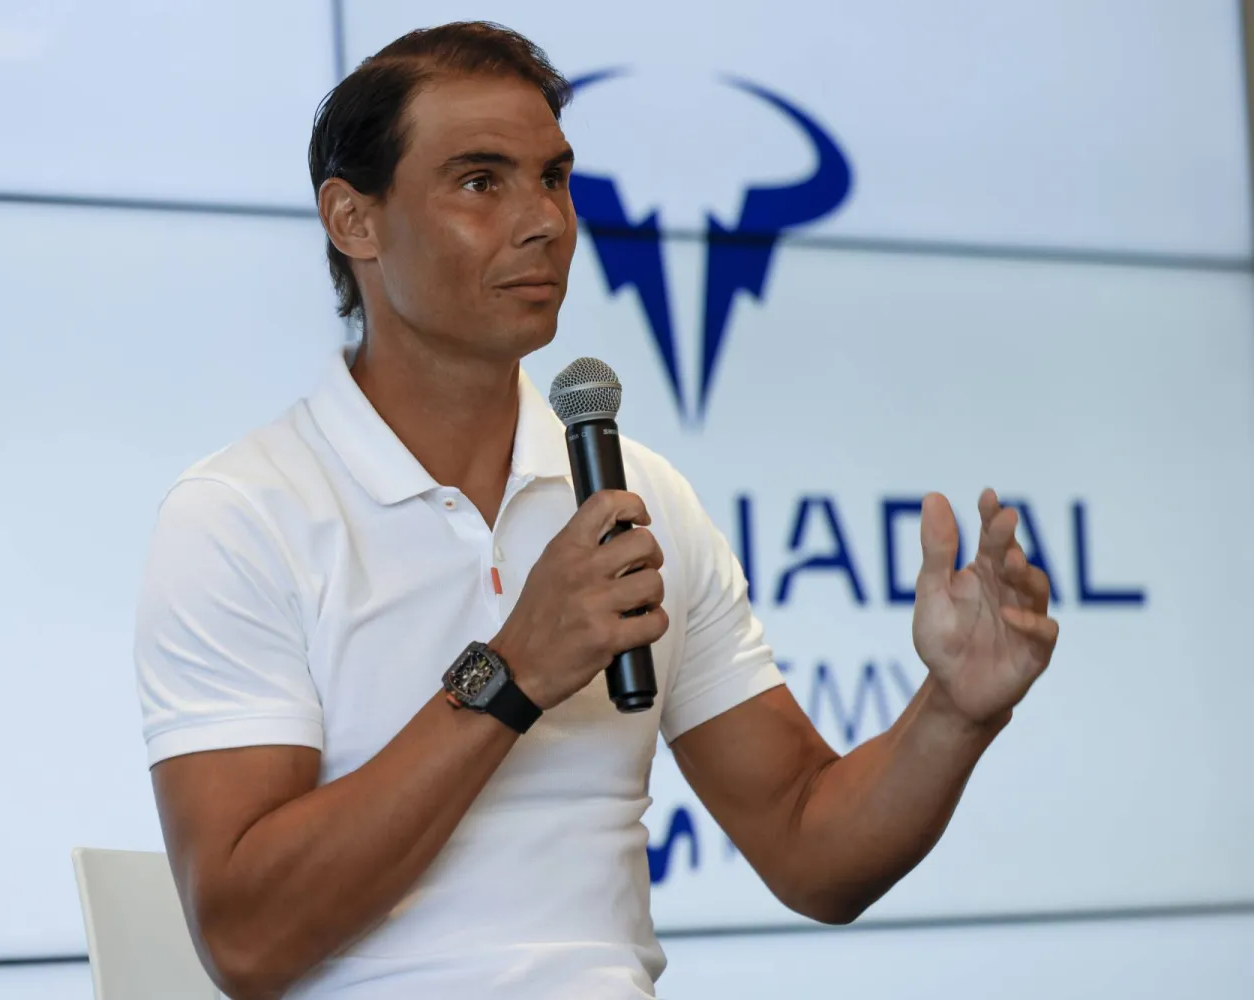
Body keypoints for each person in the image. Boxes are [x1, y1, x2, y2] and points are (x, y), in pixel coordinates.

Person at [133, 21, 1059, 1000]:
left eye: (556, 178)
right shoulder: (240, 514)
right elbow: (244, 937)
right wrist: (514, 668)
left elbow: (809, 847)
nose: (545, 221)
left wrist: (952, 714)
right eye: (481, 182)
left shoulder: (638, 493)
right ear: (354, 221)